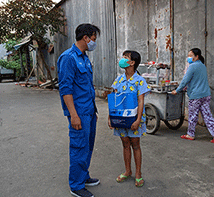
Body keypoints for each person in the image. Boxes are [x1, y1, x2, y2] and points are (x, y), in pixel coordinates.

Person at [57, 23, 101, 197]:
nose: (94, 42)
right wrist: (74, 115)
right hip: (79, 113)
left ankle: (83, 176)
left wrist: (94, 111)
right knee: (79, 147)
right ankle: (76, 185)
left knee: (88, 147)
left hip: (89, 111)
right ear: (86, 38)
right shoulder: (68, 58)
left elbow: (87, 87)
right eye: (93, 39)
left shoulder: (83, 57)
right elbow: (65, 89)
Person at [108, 50, 151, 187]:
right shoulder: (118, 80)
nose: (122, 59)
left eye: (126, 57)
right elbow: (114, 100)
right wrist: (110, 117)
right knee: (125, 144)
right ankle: (128, 171)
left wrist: (138, 120)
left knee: (136, 145)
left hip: (133, 120)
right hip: (121, 120)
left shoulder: (140, 81)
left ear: (132, 63)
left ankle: (138, 174)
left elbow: (141, 101)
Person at [171, 48, 214, 144]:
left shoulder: (192, 66)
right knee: (207, 115)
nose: (188, 57)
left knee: (192, 116)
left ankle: (190, 134)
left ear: (196, 56)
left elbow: (185, 80)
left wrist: (177, 90)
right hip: (206, 94)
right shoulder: (202, 66)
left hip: (196, 95)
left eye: (190, 55)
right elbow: (196, 80)